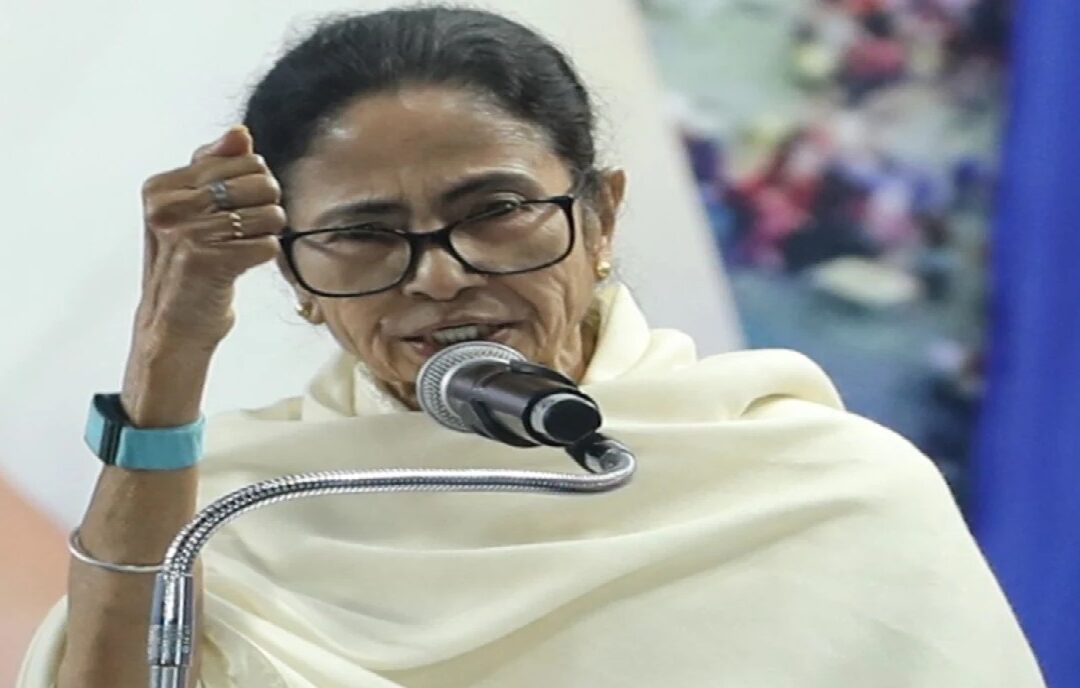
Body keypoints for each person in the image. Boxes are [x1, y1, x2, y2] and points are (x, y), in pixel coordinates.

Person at [19, 7, 1043, 688]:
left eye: (495, 211)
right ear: (295, 278)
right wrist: (170, 348)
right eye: (365, 234)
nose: (439, 277)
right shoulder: (231, 512)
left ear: (600, 218)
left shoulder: (821, 487)